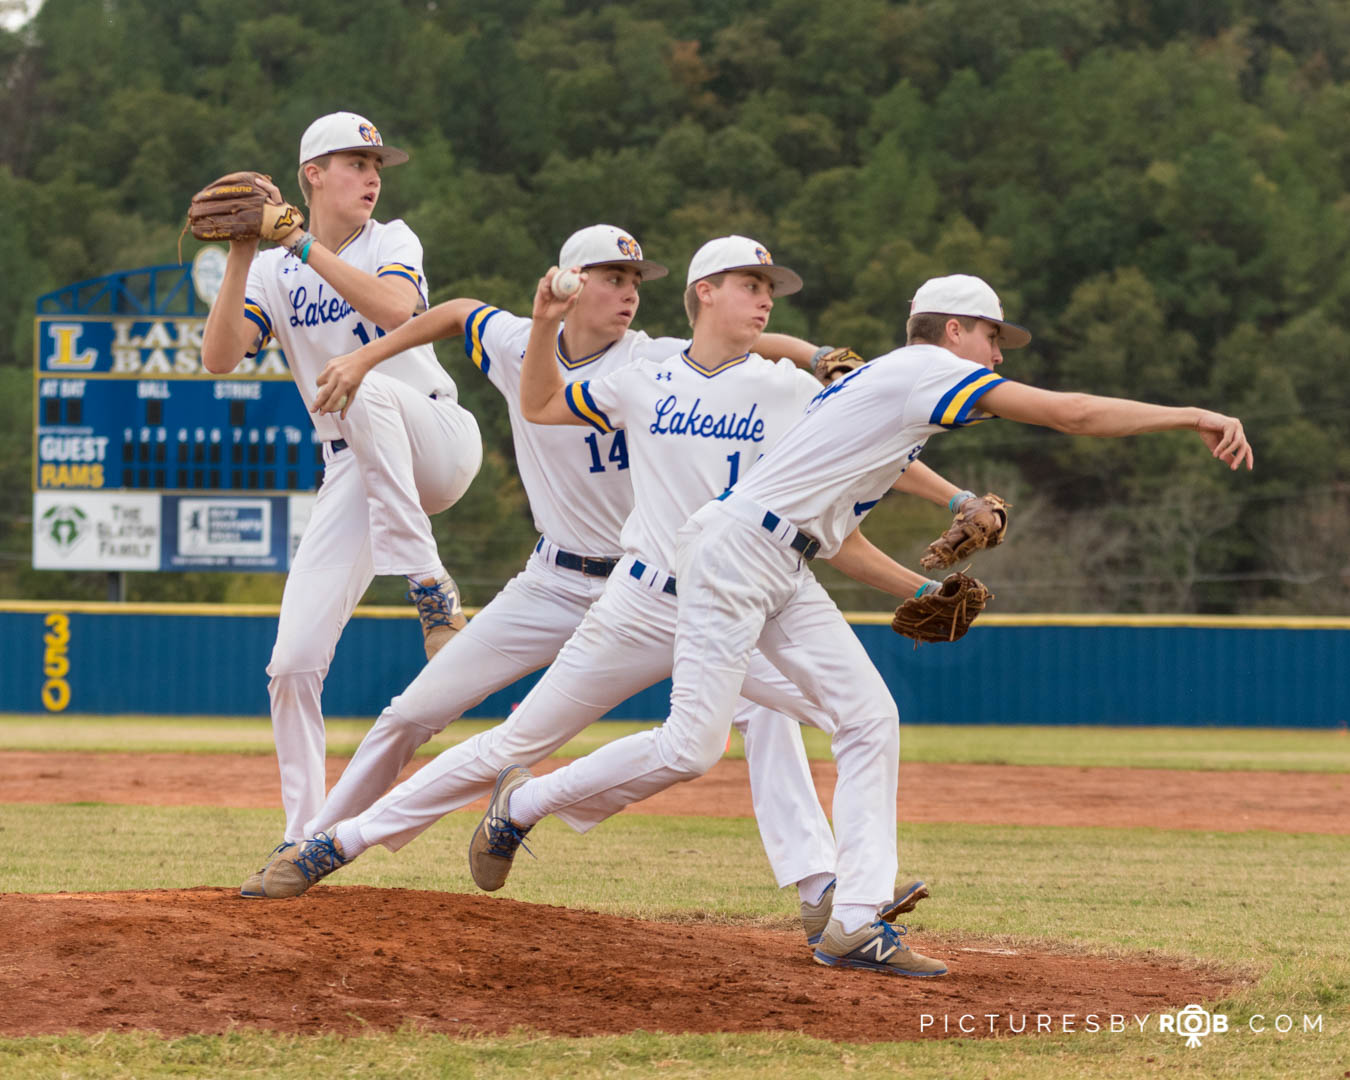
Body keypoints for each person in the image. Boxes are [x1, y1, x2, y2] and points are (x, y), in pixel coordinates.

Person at [469, 272, 1255, 979]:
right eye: (991, 337)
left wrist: (921, 576)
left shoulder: (887, 397)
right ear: (954, 332)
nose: (996, 354)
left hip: (781, 560)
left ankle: (854, 920)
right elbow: (1069, 414)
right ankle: (524, 804)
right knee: (690, 744)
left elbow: (830, 531)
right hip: (736, 552)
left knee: (869, 716)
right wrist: (1190, 415)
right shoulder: (925, 372)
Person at [253, 236, 961, 935]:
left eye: (637, 279)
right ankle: (319, 839)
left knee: (786, 716)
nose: (629, 291)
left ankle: (827, 890)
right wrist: (387, 353)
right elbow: (462, 320)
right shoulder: (552, 350)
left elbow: (781, 383)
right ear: (573, 279)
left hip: (694, 593)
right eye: (614, 277)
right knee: (426, 718)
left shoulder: (656, 358)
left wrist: (939, 489)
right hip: (565, 584)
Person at [200, 110, 483, 873]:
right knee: (291, 664)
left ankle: (431, 589)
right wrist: (242, 252)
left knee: (351, 382)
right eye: (355, 162)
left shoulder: (392, 240)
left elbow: (397, 311)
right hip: (355, 468)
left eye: (376, 163)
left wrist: (297, 240)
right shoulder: (270, 267)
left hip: (433, 438)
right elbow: (221, 358)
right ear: (312, 175)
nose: (372, 174)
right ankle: (303, 833)